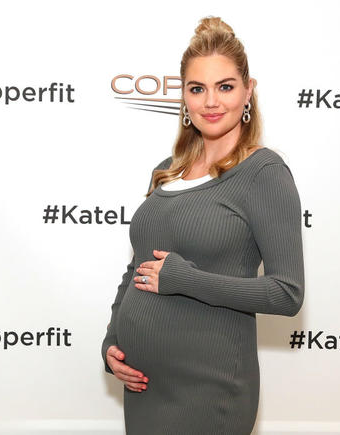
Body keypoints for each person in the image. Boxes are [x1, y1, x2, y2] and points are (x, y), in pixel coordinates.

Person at [101, 16, 304, 435]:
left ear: (249, 91)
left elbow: (287, 293)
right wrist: (111, 344)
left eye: (225, 87)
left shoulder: (263, 172)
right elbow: (138, 268)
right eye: (198, 89)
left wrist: (186, 279)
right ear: (184, 97)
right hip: (145, 388)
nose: (211, 102)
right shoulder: (166, 171)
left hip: (210, 391)